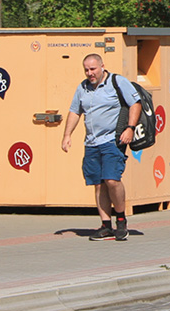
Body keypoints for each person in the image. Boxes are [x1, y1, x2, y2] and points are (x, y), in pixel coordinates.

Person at [61, 54, 142, 241]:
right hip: (91, 142)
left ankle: (121, 220)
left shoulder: (116, 82)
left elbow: (135, 104)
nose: (90, 73)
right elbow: (75, 111)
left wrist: (130, 128)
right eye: (87, 70)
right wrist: (67, 135)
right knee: (98, 183)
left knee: (112, 180)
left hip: (112, 140)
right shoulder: (82, 87)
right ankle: (106, 225)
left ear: (102, 66)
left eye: (93, 69)